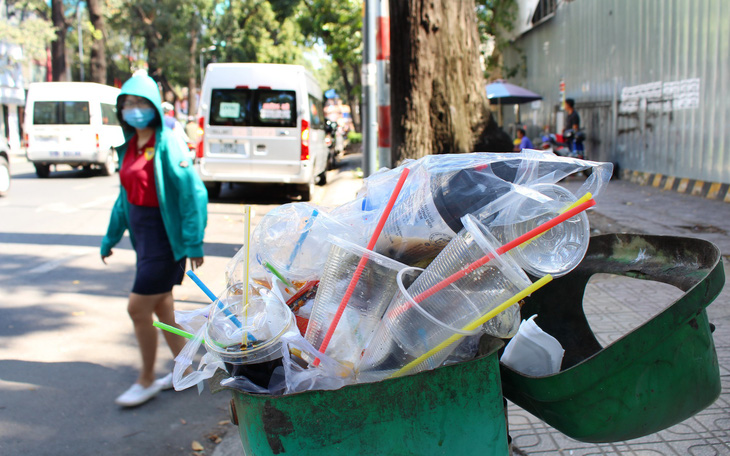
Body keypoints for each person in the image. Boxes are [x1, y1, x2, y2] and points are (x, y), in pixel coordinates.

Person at [100, 73, 208, 407]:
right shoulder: (129, 147)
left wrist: (193, 242)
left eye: (140, 103)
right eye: (128, 104)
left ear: (154, 108)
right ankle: (188, 367)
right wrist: (110, 236)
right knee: (163, 308)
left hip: (166, 240)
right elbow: (125, 198)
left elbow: (192, 193)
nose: (134, 110)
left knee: (137, 307)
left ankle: (146, 379)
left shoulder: (167, 143)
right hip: (143, 238)